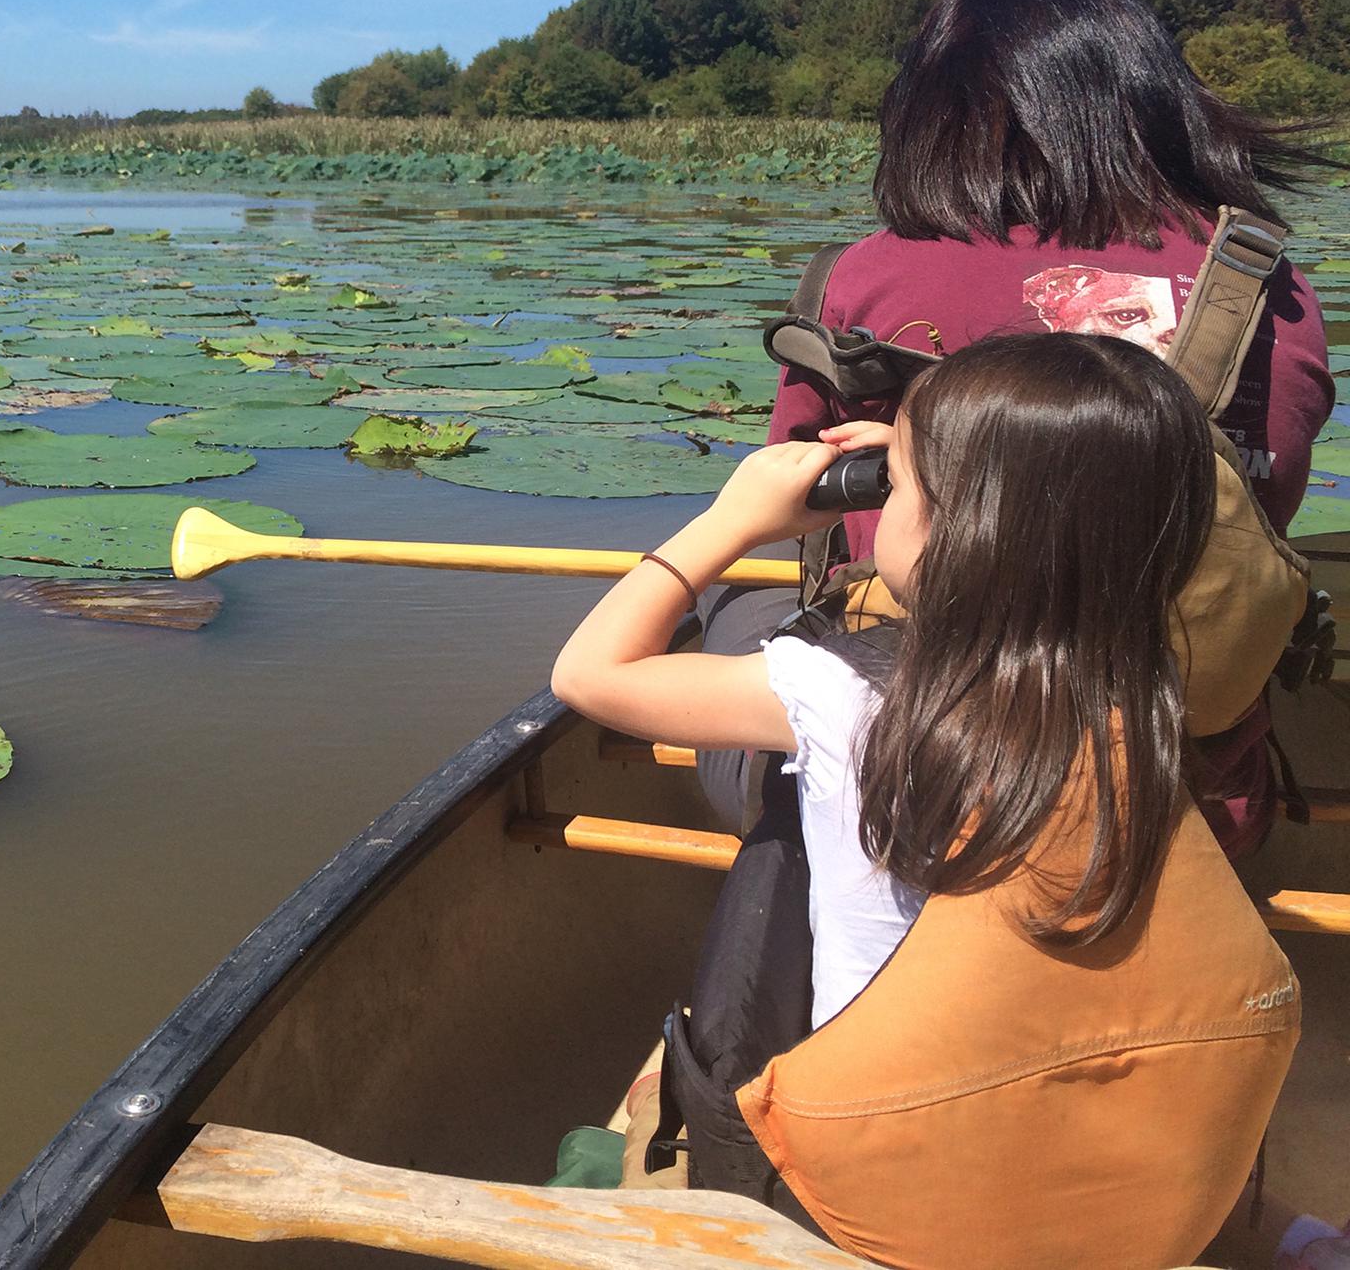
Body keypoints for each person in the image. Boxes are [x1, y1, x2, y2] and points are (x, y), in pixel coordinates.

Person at [552, 334, 1299, 1269]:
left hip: (880, 1150)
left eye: (895, 488)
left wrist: (730, 519)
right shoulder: (1141, 686)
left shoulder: (844, 693)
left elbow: (589, 673)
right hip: (1050, 1132)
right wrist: (930, 454)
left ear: (955, 529)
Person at [691, 0, 1335, 852]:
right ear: (1156, 98)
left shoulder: (861, 278)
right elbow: (1275, 496)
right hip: (1181, 800)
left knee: (734, 609)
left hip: (914, 788)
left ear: (929, 114)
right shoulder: (1267, 284)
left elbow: (795, 486)